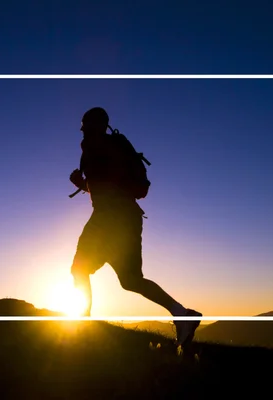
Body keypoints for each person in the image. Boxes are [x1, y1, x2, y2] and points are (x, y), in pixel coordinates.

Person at [68, 106, 202, 347]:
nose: (83, 131)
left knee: (79, 268)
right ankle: (182, 314)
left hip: (108, 218)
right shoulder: (114, 146)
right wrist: (86, 184)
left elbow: (104, 188)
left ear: (92, 126)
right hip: (129, 219)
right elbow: (111, 185)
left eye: (86, 126)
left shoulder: (95, 147)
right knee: (130, 279)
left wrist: (83, 182)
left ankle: (83, 325)